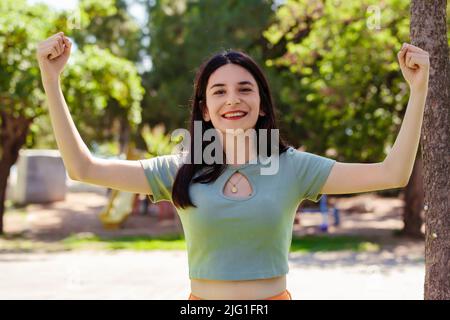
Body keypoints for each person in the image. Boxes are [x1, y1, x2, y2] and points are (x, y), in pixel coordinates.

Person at [36, 32, 429, 300]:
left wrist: (418, 90)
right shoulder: (179, 169)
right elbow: (82, 168)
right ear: (205, 109)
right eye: (219, 91)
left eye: (245, 89)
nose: (233, 100)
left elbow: (391, 174)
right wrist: (51, 80)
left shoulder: (293, 167)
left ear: (261, 103)